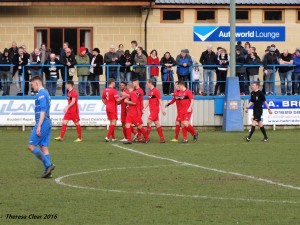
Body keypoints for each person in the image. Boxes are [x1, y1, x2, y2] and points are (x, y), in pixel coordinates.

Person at [27, 76, 55, 178]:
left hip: (42, 122)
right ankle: (48, 172)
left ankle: (48, 165)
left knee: (31, 146)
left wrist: (39, 126)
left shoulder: (41, 93)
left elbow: (43, 110)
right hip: (47, 122)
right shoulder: (46, 92)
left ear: (37, 83)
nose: (32, 87)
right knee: (43, 146)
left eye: (32, 85)